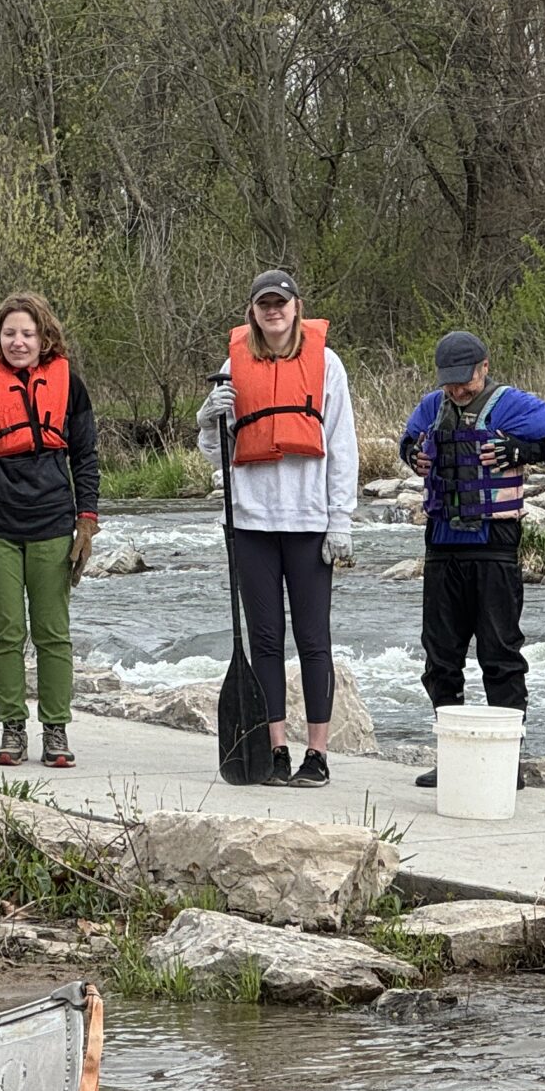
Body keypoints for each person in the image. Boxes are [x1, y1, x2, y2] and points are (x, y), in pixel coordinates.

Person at [397, 330, 545, 788]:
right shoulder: (431, 407)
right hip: (441, 545)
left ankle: (508, 763)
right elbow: (408, 442)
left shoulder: (514, 406)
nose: (458, 390)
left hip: (495, 545)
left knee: (500, 656)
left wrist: (527, 450)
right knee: (440, 660)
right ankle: (453, 759)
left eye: (465, 380)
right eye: (450, 382)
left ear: (484, 367)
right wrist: (413, 457)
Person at [196, 269, 359, 787]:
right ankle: (275, 750)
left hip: (310, 523)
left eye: (281, 303)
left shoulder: (326, 365)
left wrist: (342, 520)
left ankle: (317, 754)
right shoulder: (232, 366)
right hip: (251, 524)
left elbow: (342, 447)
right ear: (254, 311)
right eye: (264, 304)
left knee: (313, 640)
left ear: (295, 307)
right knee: (265, 641)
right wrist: (206, 421)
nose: (273, 311)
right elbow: (215, 454)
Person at [0, 291, 99, 768]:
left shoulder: (70, 386)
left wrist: (87, 523)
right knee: (7, 631)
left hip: (53, 520)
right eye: (10, 333)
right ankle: (12, 727)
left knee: (53, 632)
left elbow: (86, 457)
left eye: (27, 334)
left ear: (44, 337)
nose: (18, 341)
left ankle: (55, 729)